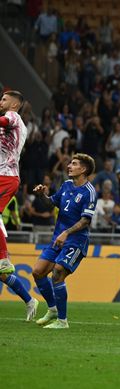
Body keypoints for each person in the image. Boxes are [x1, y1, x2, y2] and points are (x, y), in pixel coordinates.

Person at [31, 154, 97, 329]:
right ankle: (52, 309)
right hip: (58, 239)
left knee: (58, 273)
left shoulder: (89, 192)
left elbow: (85, 221)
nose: (69, 166)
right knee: (38, 272)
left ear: (83, 169)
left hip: (76, 241)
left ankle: (62, 321)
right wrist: (42, 195)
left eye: (74, 164)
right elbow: (51, 203)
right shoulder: (67, 185)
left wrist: (66, 233)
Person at [0, 91, 39, 321]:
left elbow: (4, 120)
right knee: (3, 275)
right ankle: (29, 299)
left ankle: (4, 256)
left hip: (6, 177)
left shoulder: (13, 117)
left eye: (4, 99)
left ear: (14, 103)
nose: (1, 102)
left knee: (3, 267)